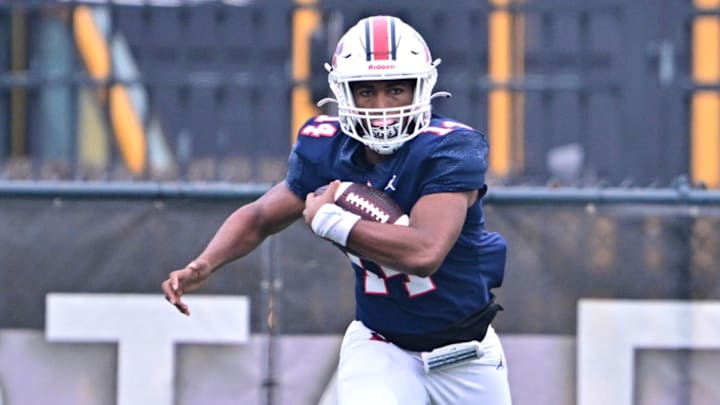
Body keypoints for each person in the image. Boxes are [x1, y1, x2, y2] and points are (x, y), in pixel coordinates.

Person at [162, 15, 512, 405]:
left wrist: (332, 221)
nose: (381, 107)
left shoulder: (449, 149)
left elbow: (425, 253)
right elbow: (260, 216)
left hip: (468, 354)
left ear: (422, 88)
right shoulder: (327, 148)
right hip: (383, 345)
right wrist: (205, 264)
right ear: (343, 94)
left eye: (396, 89)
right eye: (365, 92)